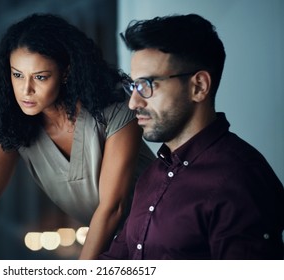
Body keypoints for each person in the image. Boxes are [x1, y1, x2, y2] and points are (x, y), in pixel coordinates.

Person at [0, 13, 155, 260]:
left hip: (163, 229)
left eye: (40, 77)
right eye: (17, 75)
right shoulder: (15, 125)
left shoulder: (116, 110)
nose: (26, 90)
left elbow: (113, 208)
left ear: (66, 73)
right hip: (116, 244)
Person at [99, 14, 284, 259]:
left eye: (146, 85)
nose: (133, 102)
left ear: (198, 86)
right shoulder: (152, 176)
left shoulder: (241, 180)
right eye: (133, 86)